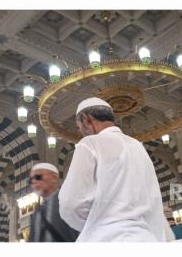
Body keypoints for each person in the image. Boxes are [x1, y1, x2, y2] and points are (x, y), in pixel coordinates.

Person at [58, 97, 165, 242]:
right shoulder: (138, 146)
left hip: (106, 238)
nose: (81, 132)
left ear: (86, 119)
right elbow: (154, 200)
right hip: (145, 238)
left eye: (79, 127)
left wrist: (96, 221)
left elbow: (69, 203)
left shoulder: (90, 143)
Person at [28, 163, 79, 242]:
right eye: (30, 180)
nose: (34, 181)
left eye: (38, 177)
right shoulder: (37, 212)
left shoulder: (67, 200)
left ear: (54, 177)